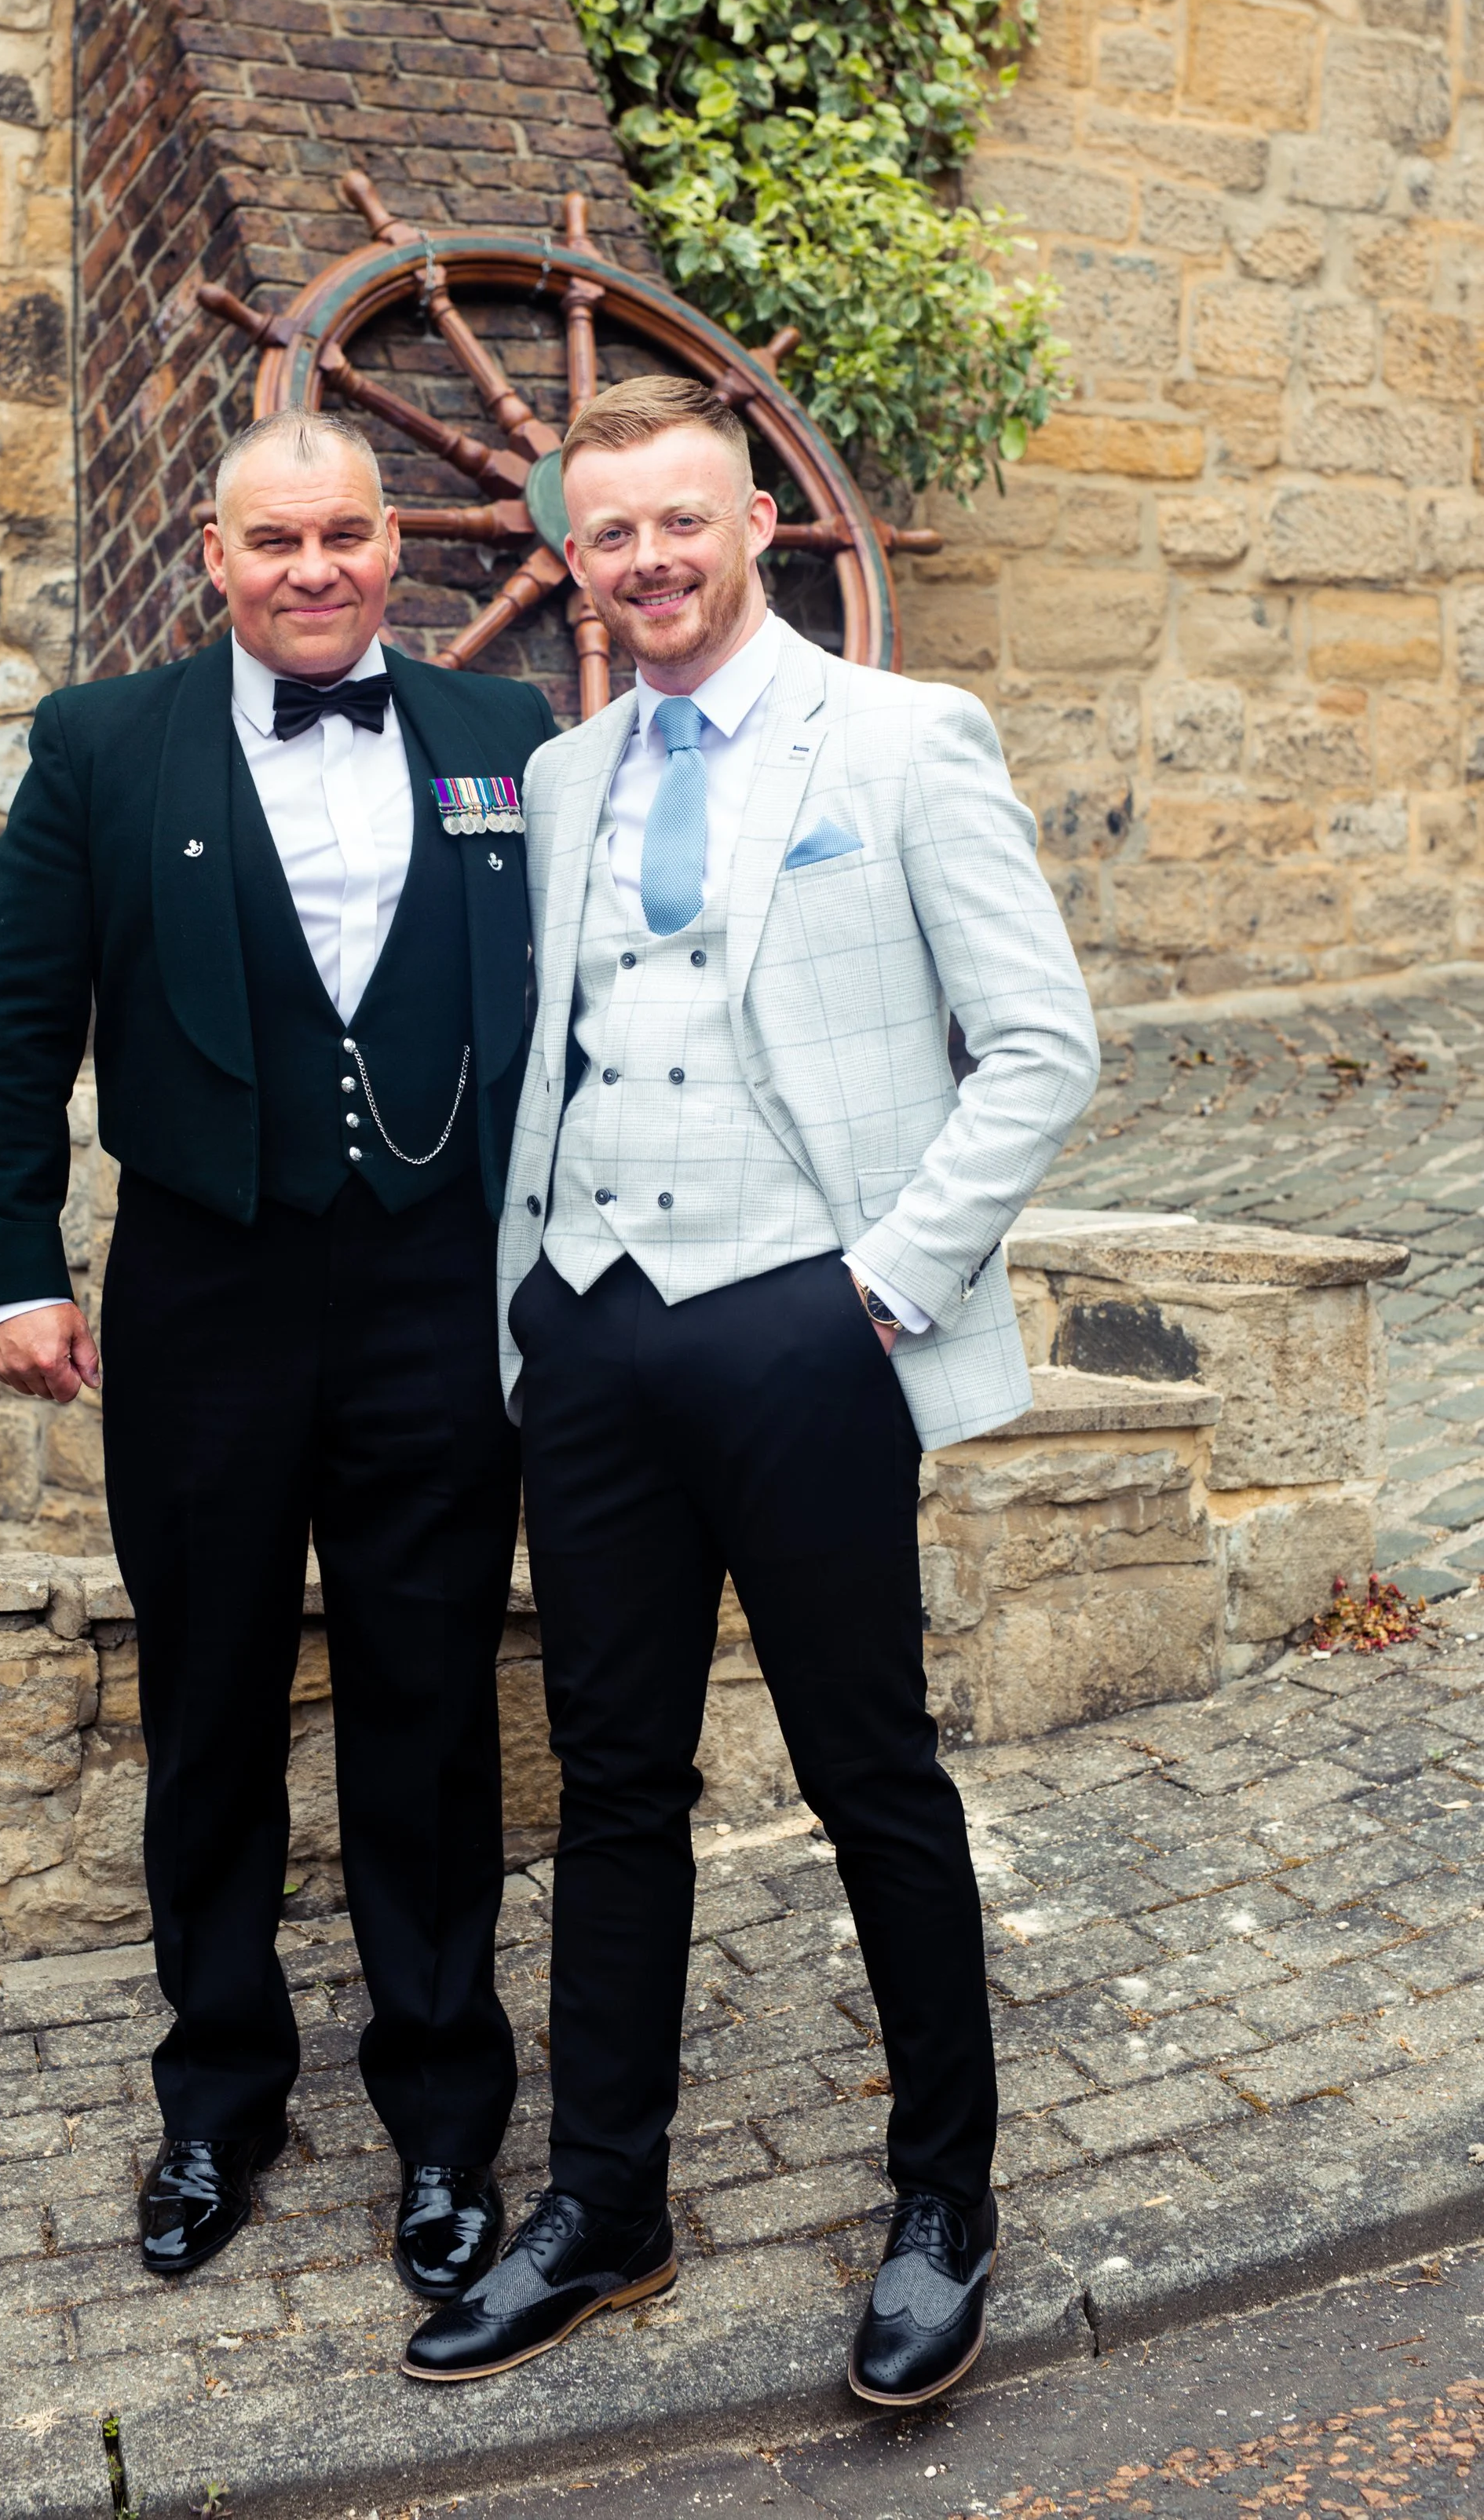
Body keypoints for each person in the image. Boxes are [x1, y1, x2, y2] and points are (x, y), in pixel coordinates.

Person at [402, 375, 1099, 2401]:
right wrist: (532, 1302)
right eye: (608, 535)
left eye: (677, 523)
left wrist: (877, 1292)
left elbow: (1037, 1045)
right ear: (579, 563)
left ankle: (939, 2204)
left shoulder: (902, 739)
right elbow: (559, 1050)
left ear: (754, 521)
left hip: (809, 1323)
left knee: (868, 1769)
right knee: (614, 1790)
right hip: (596, 1329)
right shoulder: (560, 773)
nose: (645, 562)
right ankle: (604, 2207)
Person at [0, 408, 558, 2301]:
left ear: (398, 549)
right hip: (205, 1296)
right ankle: (218, 2096)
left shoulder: (506, 740)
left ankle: (446, 2119)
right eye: (273, 541)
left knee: (428, 1713)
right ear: (210, 556)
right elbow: (12, 1031)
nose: (313, 571)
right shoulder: (102, 744)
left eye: (347, 535)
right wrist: (12, 1273)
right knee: (208, 1712)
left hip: (435, 1297)